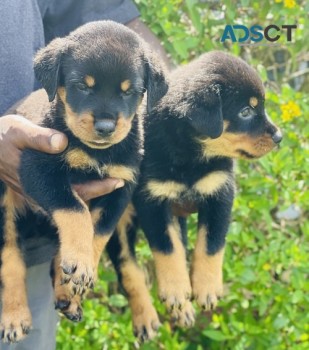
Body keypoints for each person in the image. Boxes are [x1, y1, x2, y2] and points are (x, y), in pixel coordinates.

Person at [0, 1, 170, 349]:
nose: (106, 121)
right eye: (84, 87)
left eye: (130, 94)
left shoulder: (129, 136)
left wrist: (177, 130)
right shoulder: (56, 119)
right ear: (56, 83)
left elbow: (107, 16)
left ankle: (61, 278)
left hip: (37, 252)